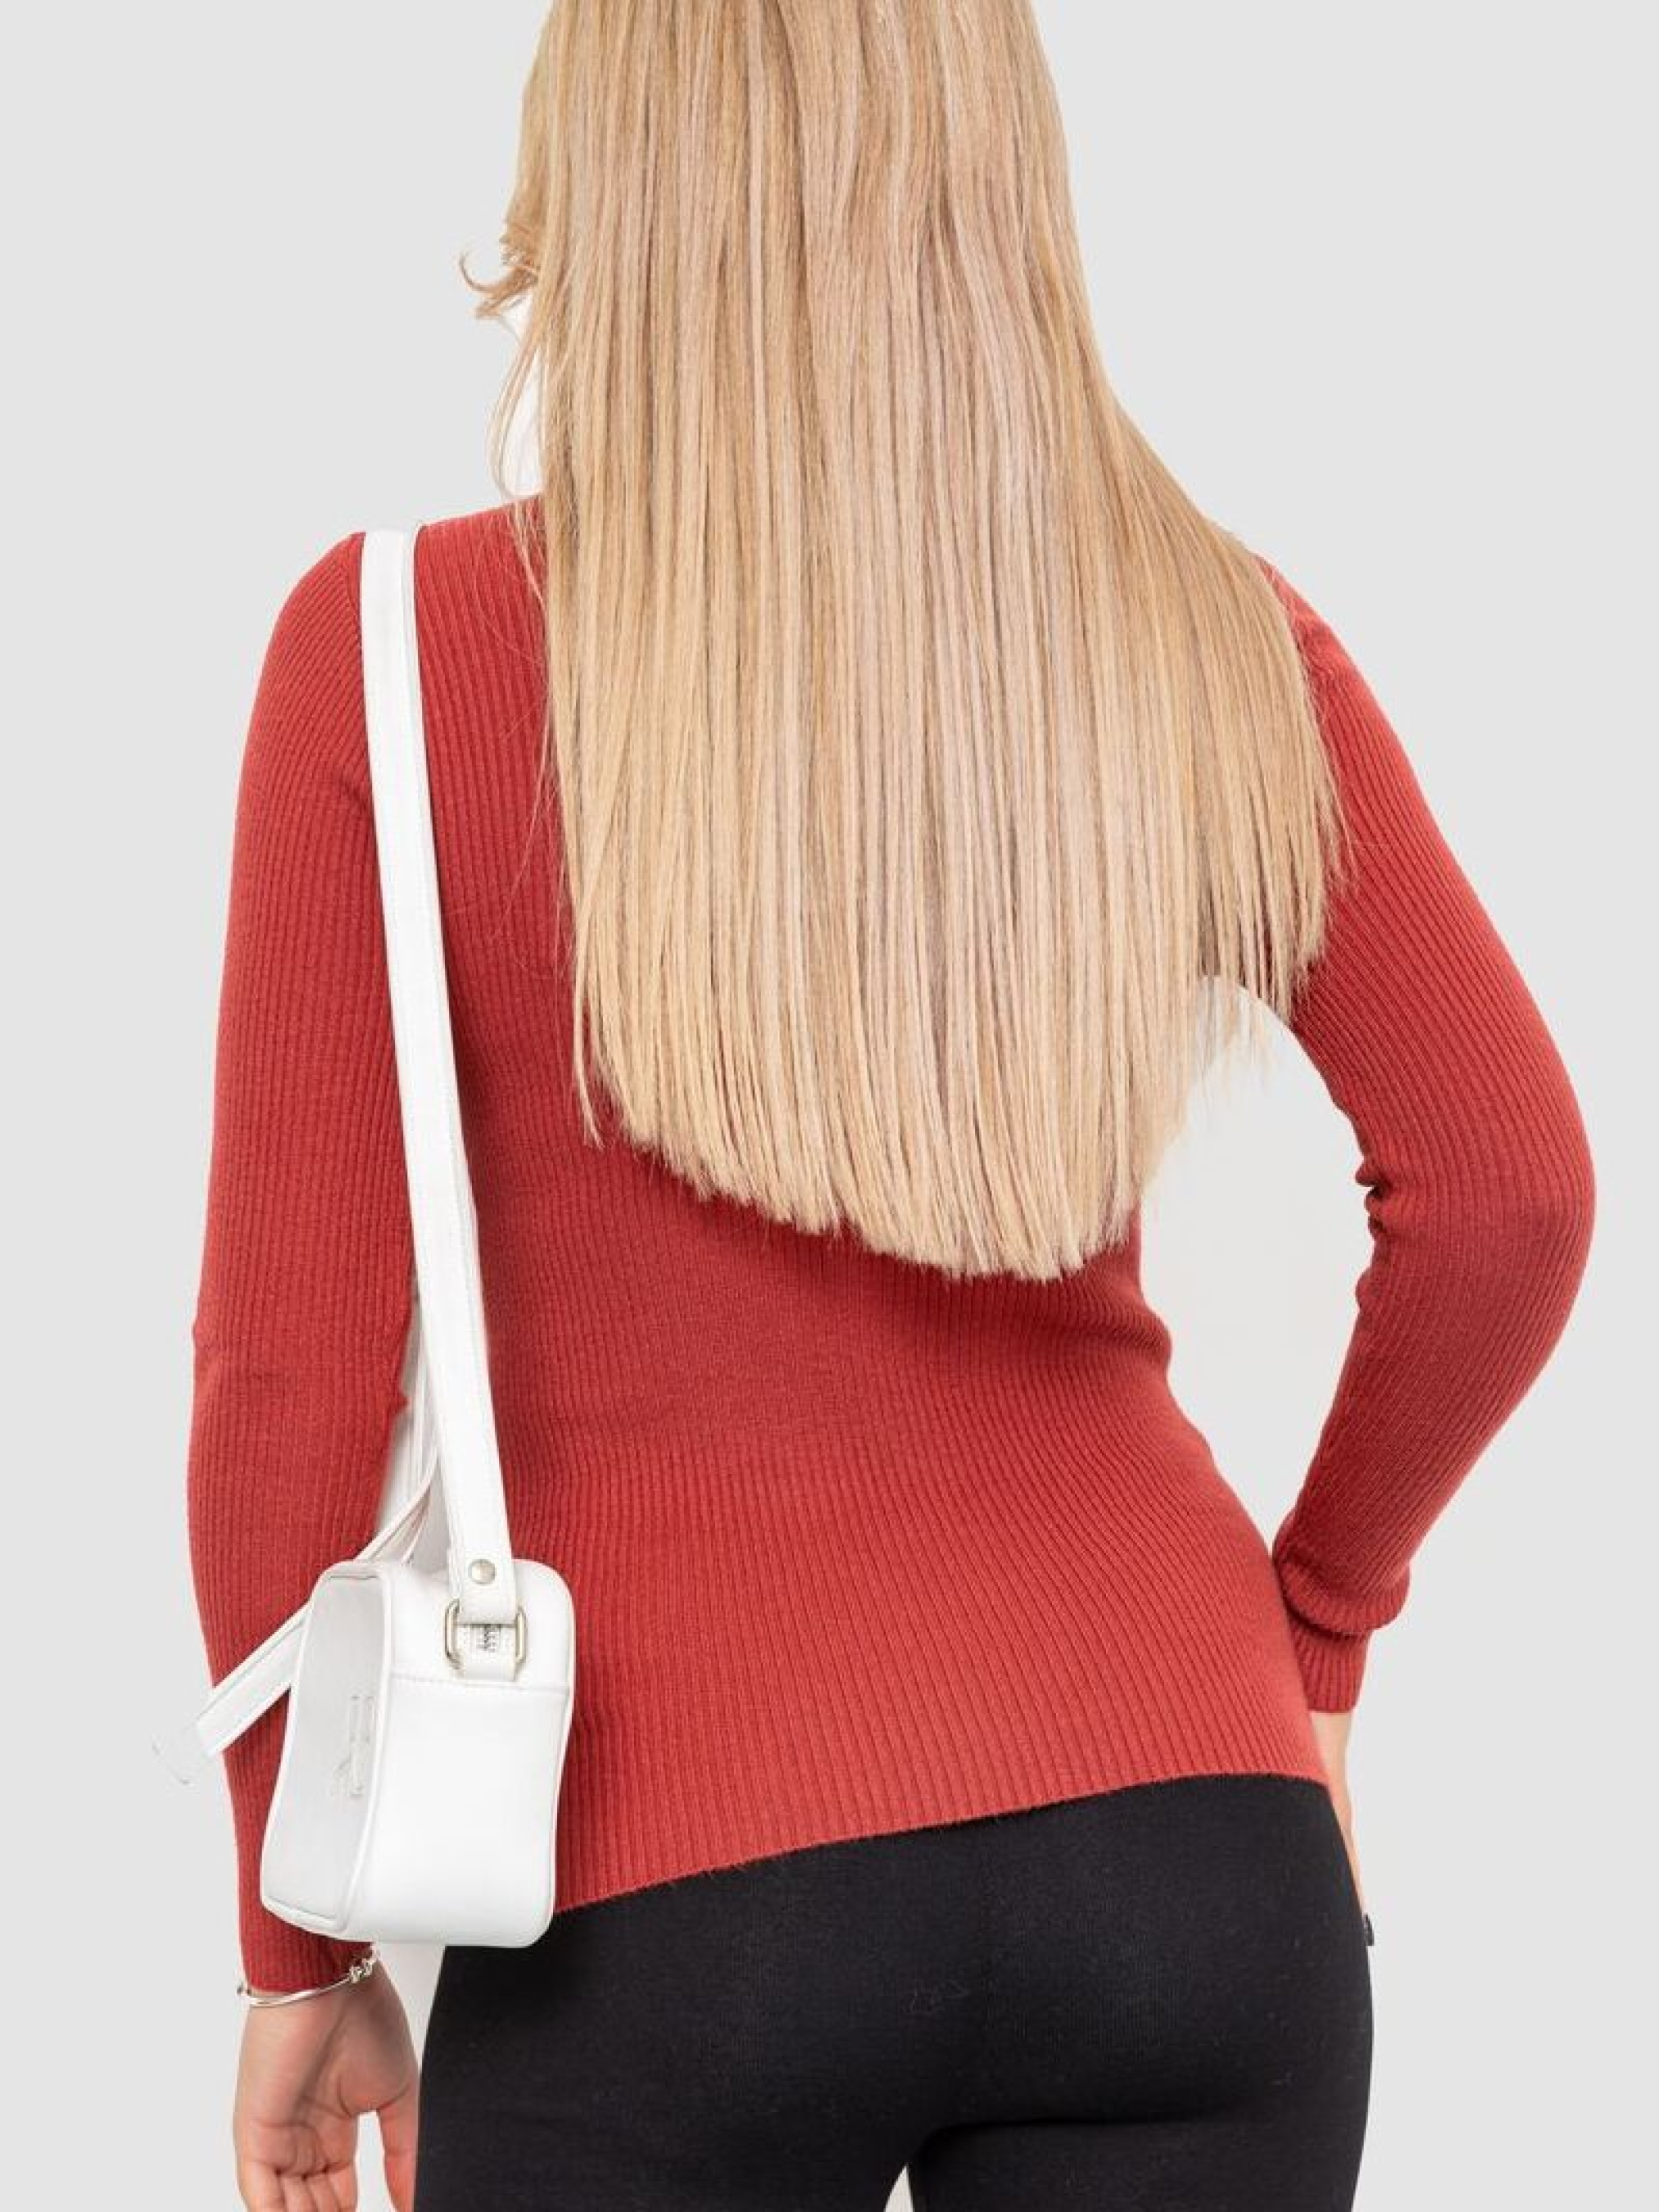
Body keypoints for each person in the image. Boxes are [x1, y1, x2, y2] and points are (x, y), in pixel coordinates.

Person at [186, 4, 1595, 2208]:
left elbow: (287, 1376)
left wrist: (301, 1946)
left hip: (676, 1911)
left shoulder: (395, 647)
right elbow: (1510, 1189)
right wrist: (1315, 1625)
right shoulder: (1204, 637)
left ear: (605, 181)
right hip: (1190, 1851)